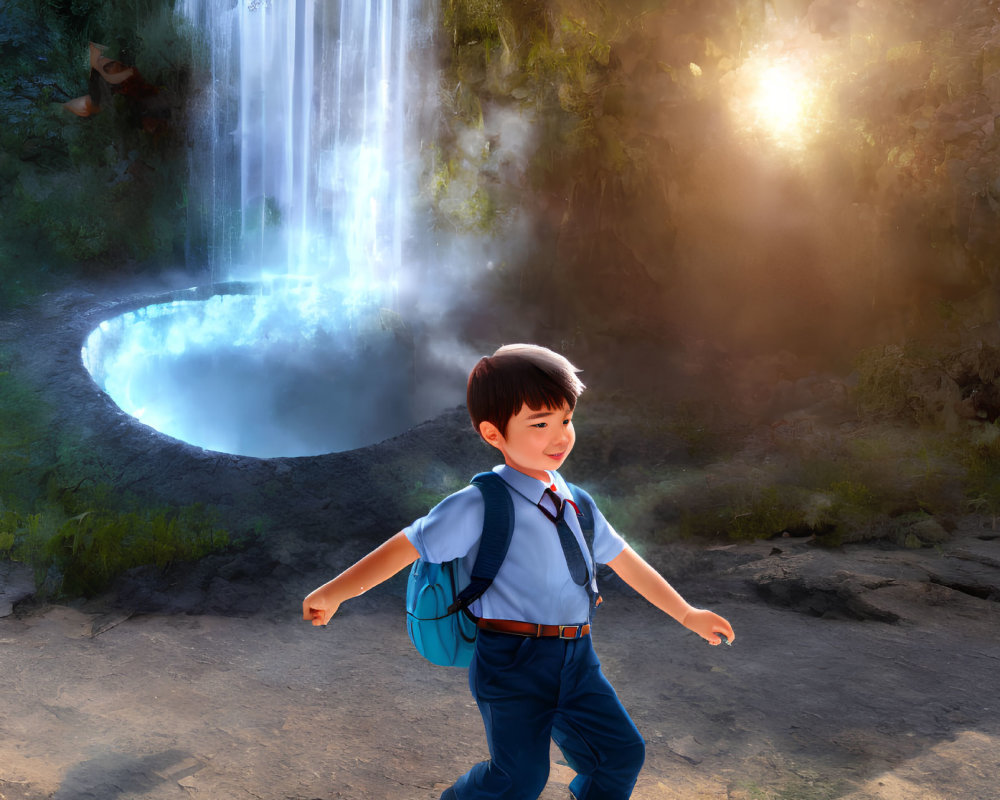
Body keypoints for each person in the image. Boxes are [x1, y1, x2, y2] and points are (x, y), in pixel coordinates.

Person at [303, 343, 735, 799]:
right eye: (540, 424)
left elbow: (624, 560)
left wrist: (687, 613)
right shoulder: (479, 504)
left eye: (566, 420)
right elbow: (407, 546)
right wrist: (335, 593)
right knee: (518, 778)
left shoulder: (579, 504)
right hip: (511, 658)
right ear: (493, 433)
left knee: (619, 754)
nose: (559, 436)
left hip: (578, 655)